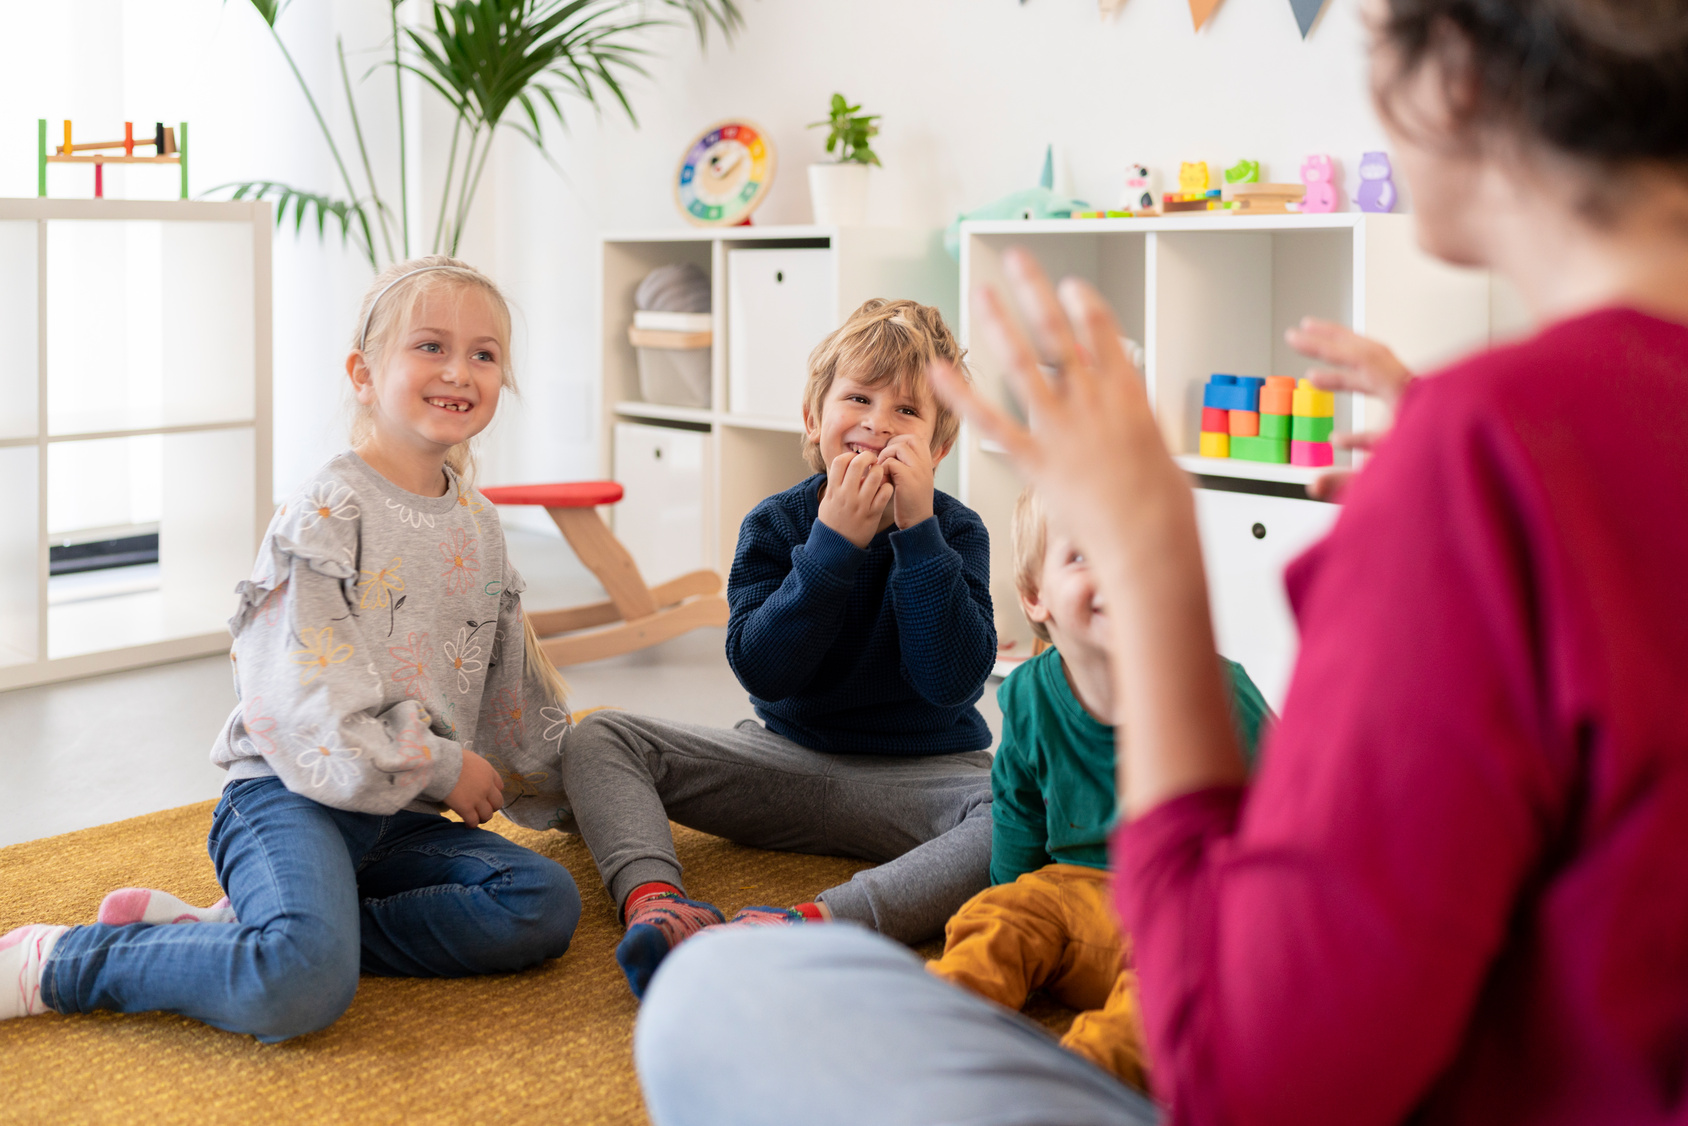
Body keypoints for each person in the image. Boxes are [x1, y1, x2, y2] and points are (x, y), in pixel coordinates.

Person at [632, 0, 1688, 1119]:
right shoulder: (1512, 445)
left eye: (1373, 43)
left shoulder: (1483, 451)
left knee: (719, 998)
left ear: (1455, 78)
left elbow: (1247, 1048)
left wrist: (1157, 582)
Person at [0, 257, 582, 1040]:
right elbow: (305, 699)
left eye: (484, 354)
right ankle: (69, 962)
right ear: (364, 373)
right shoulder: (327, 510)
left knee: (539, 905)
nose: (460, 371)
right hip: (293, 795)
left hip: (400, 816)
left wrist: (573, 789)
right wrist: (444, 765)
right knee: (299, 987)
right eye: (431, 347)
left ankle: (245, 934)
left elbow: (511, 680)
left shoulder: (478, 523)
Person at [557, 298, 997, 997]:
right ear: (813, 418)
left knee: (1018, 817)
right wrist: (832, 547)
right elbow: (763, 668)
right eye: (857, 398)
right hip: (785, 761)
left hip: (925, 777)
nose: (878, 423)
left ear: (938, 448)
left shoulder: (957, 532)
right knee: (597, 736)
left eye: (906, 412)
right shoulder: (777, 522)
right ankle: (658, 903)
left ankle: (811, 923)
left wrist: (917, 538)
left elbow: (950, 681)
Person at [927, 486, 1270, 1089]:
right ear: (1037, 599)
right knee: (998, 919)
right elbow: (1019, 814)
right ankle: (936, 1030)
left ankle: (1080, 1081)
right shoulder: (1029, 695)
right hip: (1072, 891)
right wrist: (1011, 891)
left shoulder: (1216, 689)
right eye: (1083, 555)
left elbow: (1289, 808)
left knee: (1174, 990)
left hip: (1185, 906)